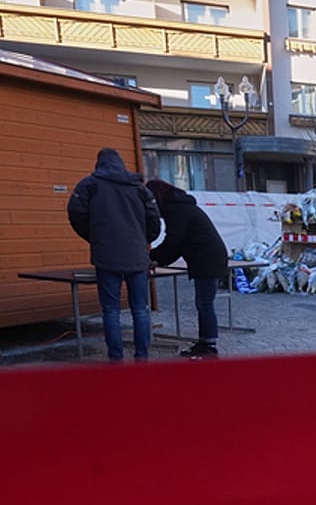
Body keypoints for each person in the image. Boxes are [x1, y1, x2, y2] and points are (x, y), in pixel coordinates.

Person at [67, 148, 161, 362]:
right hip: (137, 256)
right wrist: (142, 240)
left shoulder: (89, 184)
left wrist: (95, 237)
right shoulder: (138, 186)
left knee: (110, 311)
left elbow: (75, 213)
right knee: (140, 309)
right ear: (120, 163)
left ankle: (116, 360)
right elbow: (154, 219)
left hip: (106, 256)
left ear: (99, 163)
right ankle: (142, 358)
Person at [147, 179, 229, 357]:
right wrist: (158, 260)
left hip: (207, 260)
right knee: (203, 303)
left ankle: (209, 346)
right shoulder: (181, 208)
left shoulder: (177, 211)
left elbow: (173, 241)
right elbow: (177, 245)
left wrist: (152, 257)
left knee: (205, 304)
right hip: (209, 258)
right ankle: (205, 342)